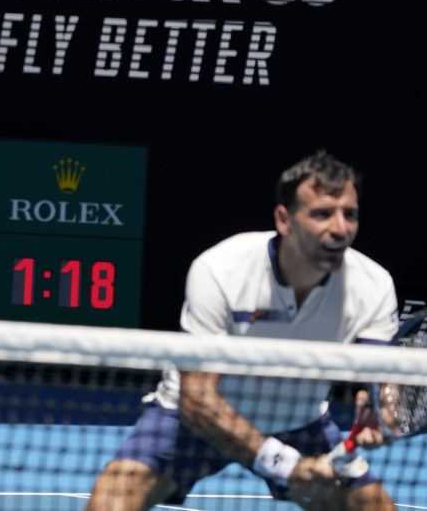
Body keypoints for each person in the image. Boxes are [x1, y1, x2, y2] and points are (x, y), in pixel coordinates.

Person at [86, 151, 399, 510]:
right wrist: (284, 463)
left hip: (298, 420)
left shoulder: (373, 285)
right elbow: (196, 397)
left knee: (374, 506)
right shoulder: (221, 269)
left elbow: (377, 381)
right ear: (284, 219)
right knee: (111, 500)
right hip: (196, 418)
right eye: (322, 214)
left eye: (350, 214)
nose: (341, 228)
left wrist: (378, 407)